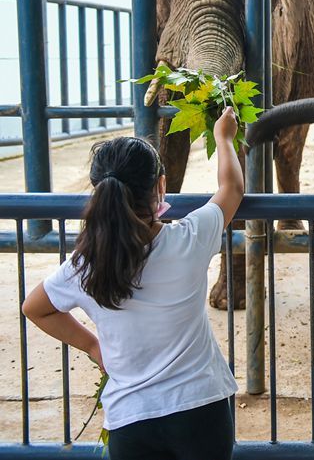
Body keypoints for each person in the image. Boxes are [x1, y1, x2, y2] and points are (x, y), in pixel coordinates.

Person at [22, 107, 244, 460]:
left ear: (98, 192)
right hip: (200, 409)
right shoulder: (189, 238)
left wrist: (94, 347)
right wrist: (224, 138)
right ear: (161, 187)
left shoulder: (84, 264)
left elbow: (34, 308)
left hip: (130, 419)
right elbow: (232, 187)